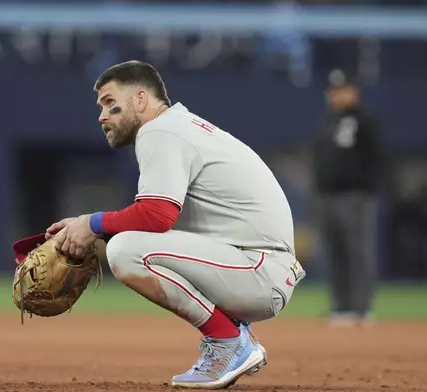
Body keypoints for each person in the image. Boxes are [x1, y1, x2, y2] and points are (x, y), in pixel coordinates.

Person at [46, 60, 306, 389]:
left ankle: (228, 340)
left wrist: (93, 223)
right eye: (101, 107)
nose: (102, 115)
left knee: (125, 249)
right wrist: (86, 224)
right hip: (257, 266)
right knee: (128, 239)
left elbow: (156, 216)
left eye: (111, 104)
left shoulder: (160, 130)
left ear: (140, 99)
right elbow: (158, 216)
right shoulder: (177, 127)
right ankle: (232, 334)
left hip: (258, 271)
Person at [311, 68, 383, 327]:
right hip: (328, 197)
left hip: (355, 196)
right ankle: (341, 307)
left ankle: (361, 309)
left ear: (354, 92)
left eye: (343, 90)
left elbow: (377, 158)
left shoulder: (365, 121)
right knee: (334, 253)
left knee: (358, 253)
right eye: (334, 91)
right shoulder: (327, 122)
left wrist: (368, 190)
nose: (337, 95)